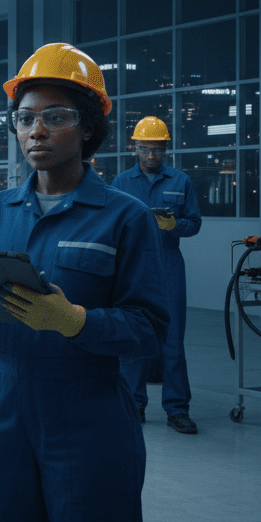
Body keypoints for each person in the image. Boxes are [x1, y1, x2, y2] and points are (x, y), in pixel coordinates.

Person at [0, 43, 168, 522]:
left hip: (88, 413)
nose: (36, 131)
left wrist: (77, 322)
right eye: (25, 119)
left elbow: (151, 330)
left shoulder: (124, 218)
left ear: (88, 129)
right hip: (2, 408)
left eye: (55, 117)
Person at [111, 116, 202, 434]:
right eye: (146, 149)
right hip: (134, 269)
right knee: (134, 337)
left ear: (166, 149)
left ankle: (177, 409)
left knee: (173, 342)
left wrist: (173, 225)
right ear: (135, 148)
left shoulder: (180, 182)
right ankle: (133, 404)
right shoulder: (121, 183)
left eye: (158, 150)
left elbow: (194, 222)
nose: (152, 156)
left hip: (169, 267)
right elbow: (110, 226)